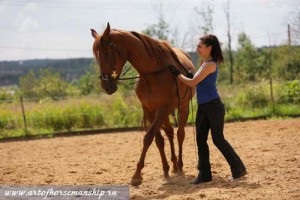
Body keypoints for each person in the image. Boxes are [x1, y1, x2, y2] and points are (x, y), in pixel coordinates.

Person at [169, 35, 247, 184]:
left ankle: (238, 169)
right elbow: (196, 79)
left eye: (200, 47)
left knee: (218, 139)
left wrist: (178, 74)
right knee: (200, 139)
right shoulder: (205, 64)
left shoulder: (210, 64)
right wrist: (187, 76)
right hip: (204, 106)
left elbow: (192, 83)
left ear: (209, 48)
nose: (197, 49)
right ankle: (205, 175)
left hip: (213, 106)